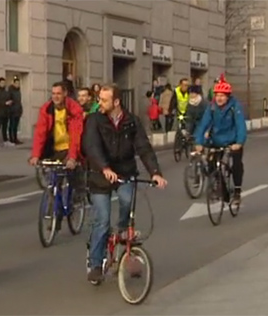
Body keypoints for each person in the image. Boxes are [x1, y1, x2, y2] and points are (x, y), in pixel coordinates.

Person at [82, 83, 167, 283]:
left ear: (116, 102)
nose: (99, 103)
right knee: (102, 220)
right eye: (99, 99)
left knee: (127, 201)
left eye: (104, 100)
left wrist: (155, 172)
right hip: (99, 175)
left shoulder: (131, 121)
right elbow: (91, 146)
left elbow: (143, 147)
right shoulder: (94, 120)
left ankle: (121, 232)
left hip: (125, 172)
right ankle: (95, 264)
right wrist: (105, 168)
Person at [194, 74, 247, 205]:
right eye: (217, 95)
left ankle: (237, 191)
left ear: (228, 97)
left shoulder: (235, 107)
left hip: (232, 141)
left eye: (222, 95)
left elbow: (241, 125)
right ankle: (220, 187)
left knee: (236, 163)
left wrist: (239, 143)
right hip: (216, 140)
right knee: (212, 163)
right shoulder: (211, 107)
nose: (219, 98)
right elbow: (203, 125)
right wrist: (199, 142)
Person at [29, 82, 84, 170]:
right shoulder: (46, 109)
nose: (55, 97)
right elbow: (40, 132)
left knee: (72, 177)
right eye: (53, 93)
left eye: (58, 93)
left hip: (69, 149)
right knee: (52, 176)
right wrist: (35, 155)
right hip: (53, 148)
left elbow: (75, 135)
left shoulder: (74, 109)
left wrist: (72, 157)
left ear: (65, 94)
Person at [0, 77, 12, 146]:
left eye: (4, 83)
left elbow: (9, 99)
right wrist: (5, 103)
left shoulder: (6, 92)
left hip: (6, 112)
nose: (3, 84)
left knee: (5, 126)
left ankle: (5, 140)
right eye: (2, 83)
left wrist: (9, 102)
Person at [8, 77, 23, 145]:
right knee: (12, 125)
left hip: (18, 110)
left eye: (18, 83)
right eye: (16, 83)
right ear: (13, 83)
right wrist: (11, 108)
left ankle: (15, 138)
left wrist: (20, 109)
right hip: (12, 111)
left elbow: (19, 101)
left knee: (16, 126)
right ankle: (11, 138)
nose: (17, 84)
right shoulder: (10, 91)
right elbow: (9, 101)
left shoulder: (18, 91)